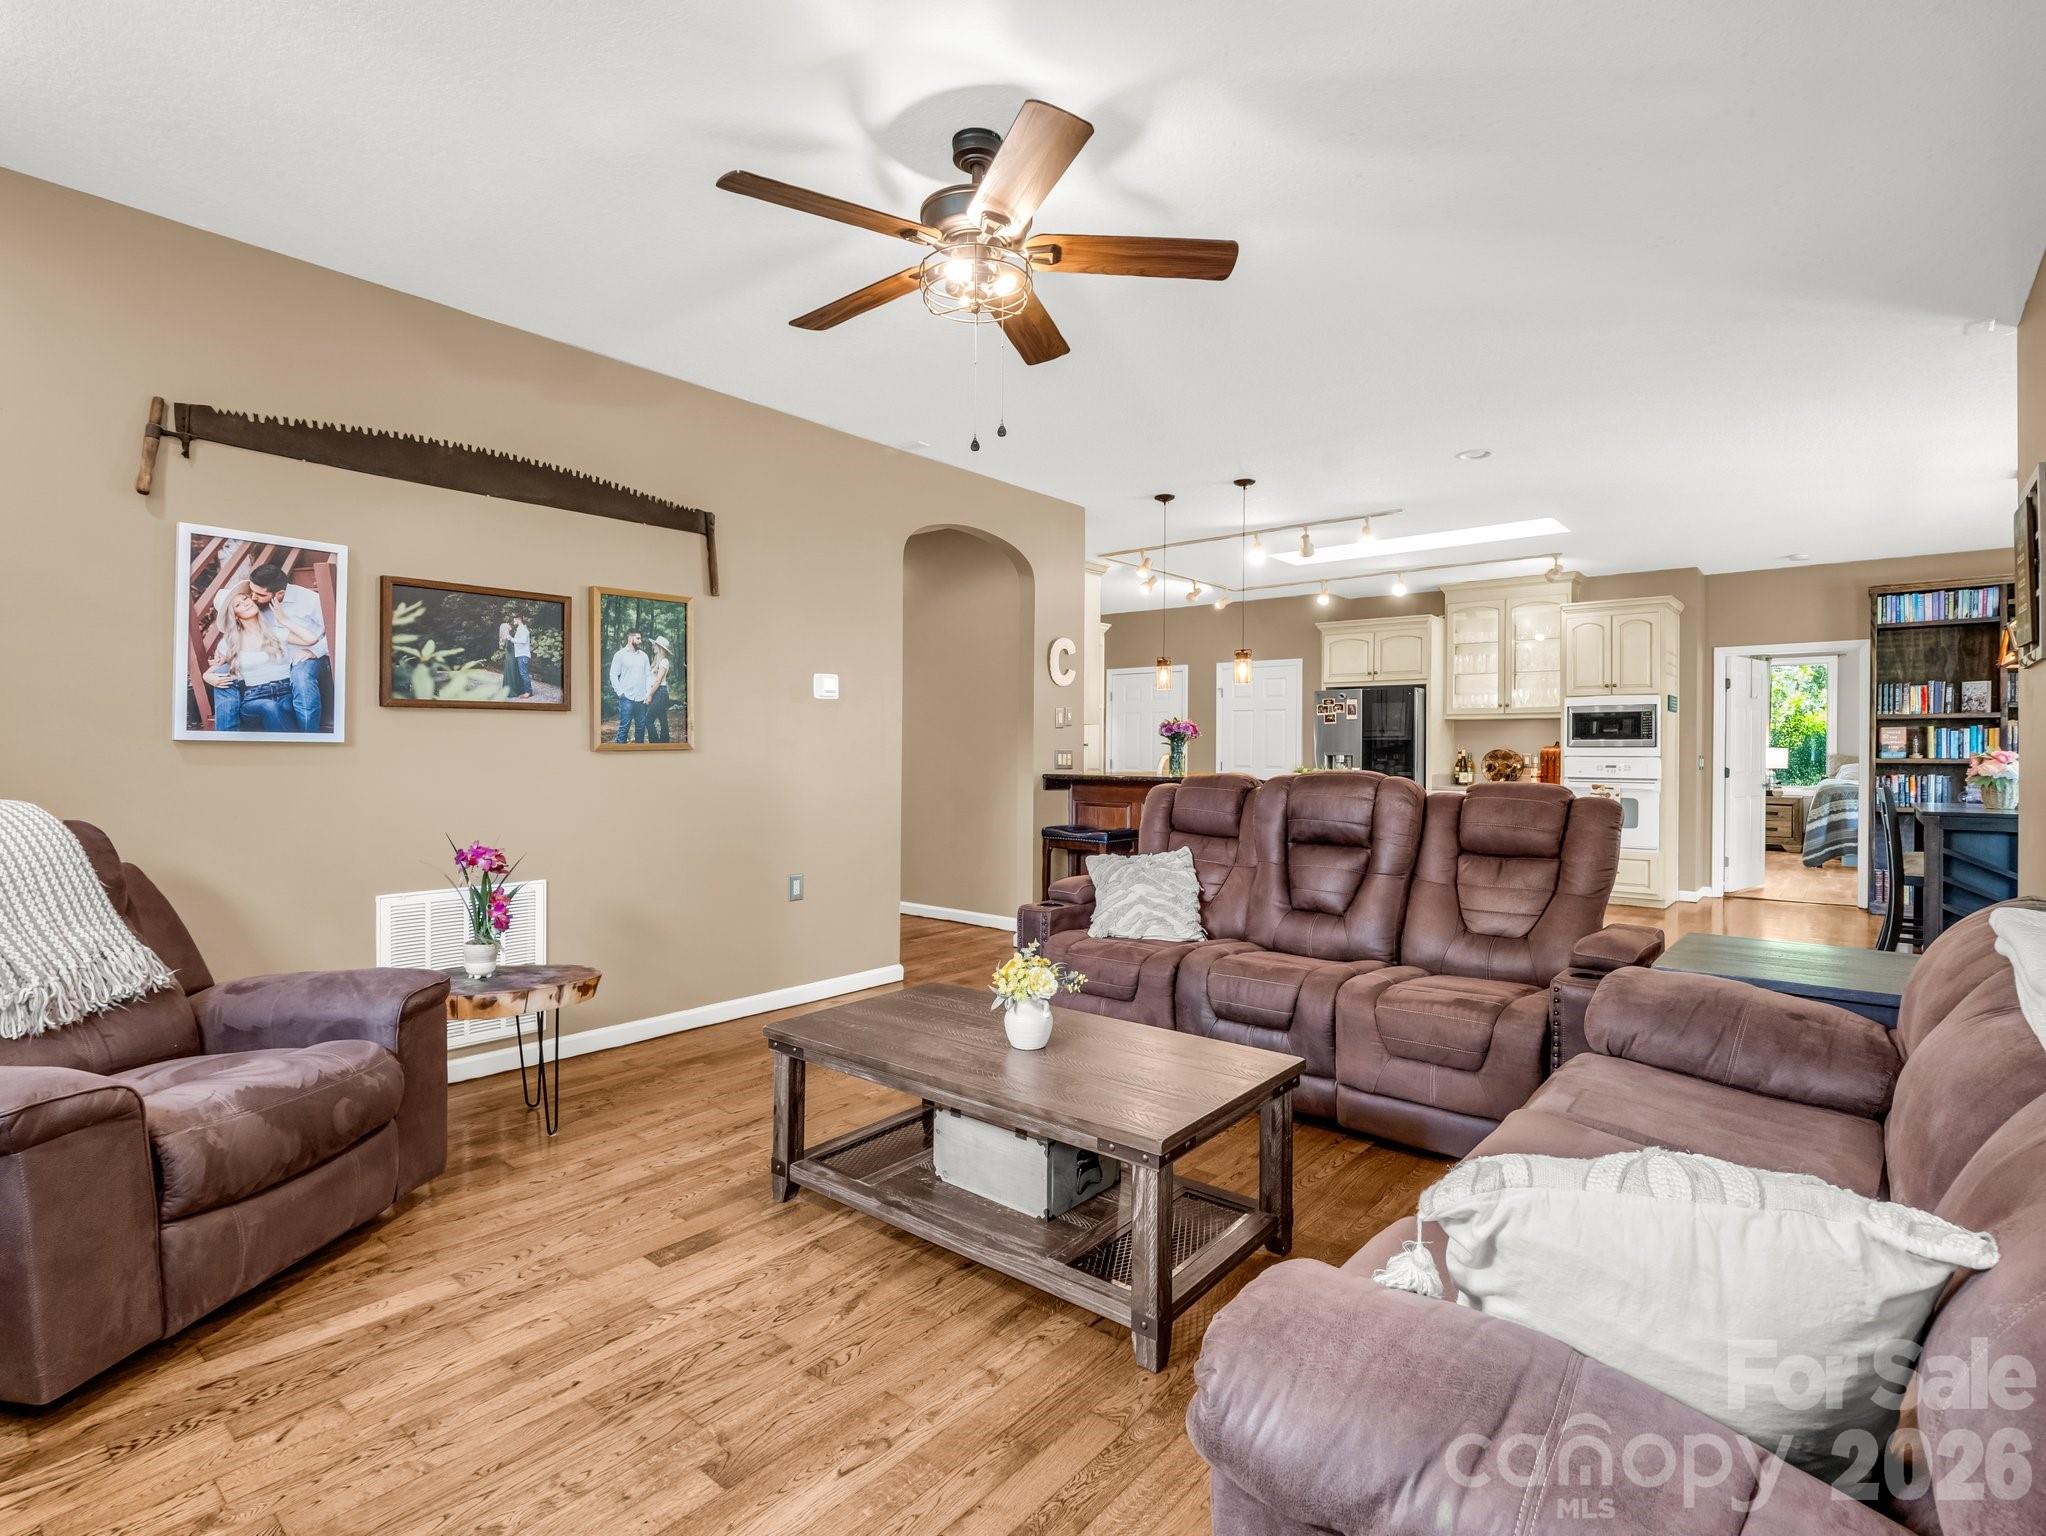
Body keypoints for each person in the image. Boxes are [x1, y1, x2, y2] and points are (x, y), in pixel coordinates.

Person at [246, 561, 329, 732]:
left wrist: (315, 651)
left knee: (301, 678)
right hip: (275, 660)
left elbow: (336, 631)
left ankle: (308, 738)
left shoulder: (310, 600)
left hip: (306, 655)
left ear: (279, 593)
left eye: (259, 594)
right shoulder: (256, 605)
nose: (253, 598)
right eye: (251, 591)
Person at [203, 580, 295, 731]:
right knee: (269, 706)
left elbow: (309, 639)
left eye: (245, 599)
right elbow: (217, 667)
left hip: (285, 690)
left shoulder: (274, 628)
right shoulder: (230, 641)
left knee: (284, 706)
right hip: (253, 699)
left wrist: (283, 619)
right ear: (236, 616)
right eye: (237, 605)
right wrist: (206, 676)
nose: (245, 603)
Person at [608, 628, 652, 742]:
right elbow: (613, 675)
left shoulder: (644, 656)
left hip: (641, 699)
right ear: (630, 638)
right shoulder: (620, 655)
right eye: (638, 638)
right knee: (624, 729)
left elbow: (648, 676)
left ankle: (639, 758)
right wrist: (620, 693)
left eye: (640, 638)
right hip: (626, 698)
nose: (640, 641)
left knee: (641, 729)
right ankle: (618, 758)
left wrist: (648, 694)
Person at [645, 635, 674, 743]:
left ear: (659, 647)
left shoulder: (664, 661)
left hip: (660, 692)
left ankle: (655, 743)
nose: (653, 646)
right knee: (663, 720)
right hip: (660, 692)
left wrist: (650, 695)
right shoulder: (658, 661)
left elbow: (658, 681)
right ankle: (664, 743)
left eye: (654, 644)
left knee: (648, 720)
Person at [507, 611, 534, 698]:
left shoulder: (523, 629)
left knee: (524, 673)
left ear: (518, 619)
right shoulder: (520, 628)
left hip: (523, 655)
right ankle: (527, 691)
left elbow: (523, 641)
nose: (513, 621)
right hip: (521, 655)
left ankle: (528, 692)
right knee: (523, 673)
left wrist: (511, 639)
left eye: (514, 619)